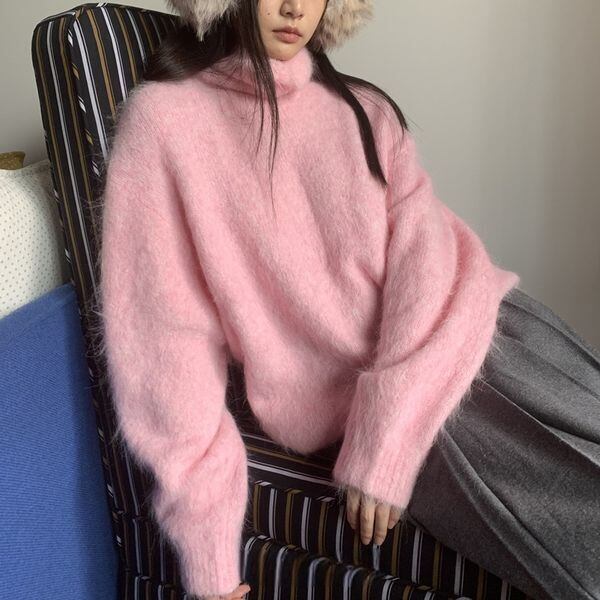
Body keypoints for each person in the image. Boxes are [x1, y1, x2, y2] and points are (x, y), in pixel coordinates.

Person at [97, 0, 600, 599]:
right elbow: (166, 347)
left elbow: (428, 256)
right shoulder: (165, 122)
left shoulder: (367, 110)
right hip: (446, 423)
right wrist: (210, 558)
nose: (295, 7)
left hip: (498, 329)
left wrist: (386, 429)